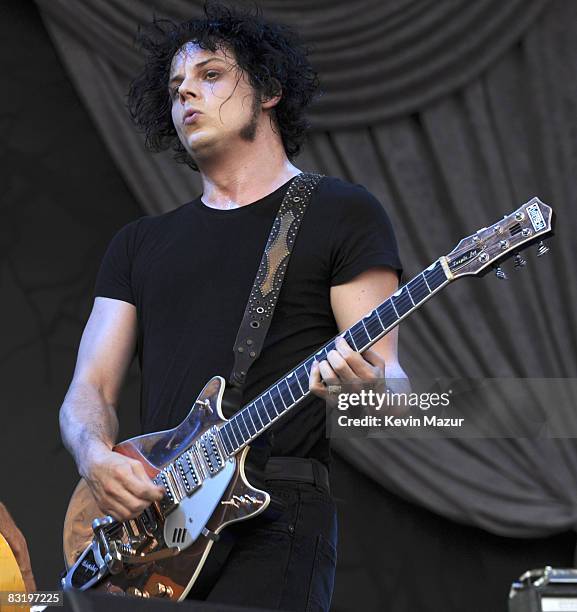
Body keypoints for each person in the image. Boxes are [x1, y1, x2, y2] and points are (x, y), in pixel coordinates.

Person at [59, 3, 408, 610]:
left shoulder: (339, 212)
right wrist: (94, 456)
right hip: (152, 530)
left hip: (273, 519)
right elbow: (89, 386)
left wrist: (366, 390)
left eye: (211, 75)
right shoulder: (139, 243)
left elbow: (394, 388)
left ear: (269, 91)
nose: (187, 92)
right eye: (176, 88)